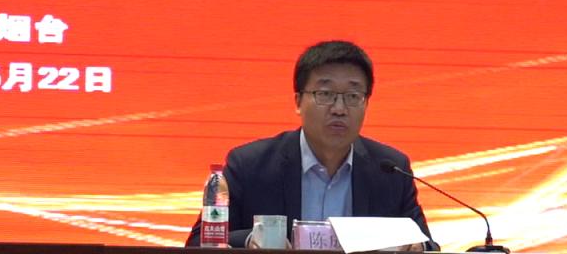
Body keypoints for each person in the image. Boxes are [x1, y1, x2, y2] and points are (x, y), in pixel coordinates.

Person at [185, 40, 437, 250]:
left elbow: (427, 244)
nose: (339, 109)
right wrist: (253, 240)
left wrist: (418, 246)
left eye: (353, 96)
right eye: (325, 94)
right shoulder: (251, 165)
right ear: (298, 101)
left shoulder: (391, 170)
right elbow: (199, 243)